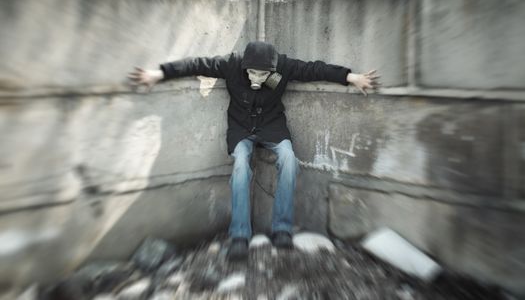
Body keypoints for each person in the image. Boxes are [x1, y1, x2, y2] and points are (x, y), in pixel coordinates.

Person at [128, 41, 379, 261]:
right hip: (241, 129)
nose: (256, 78)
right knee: (240, 167)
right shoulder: (231, 65)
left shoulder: (283, 66)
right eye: (252, 73)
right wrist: (159, 73)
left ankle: (282, 229)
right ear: (244, 67)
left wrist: (351, 77)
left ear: (272, 69)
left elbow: (315, 69)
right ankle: (239, 236)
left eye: (263, 74)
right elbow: (196, 64)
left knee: (289, 160)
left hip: (272, 127)